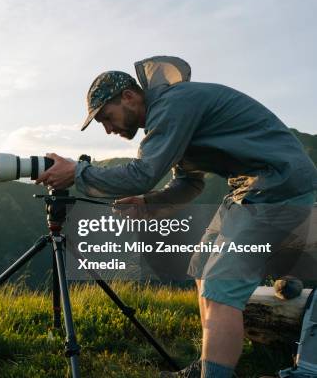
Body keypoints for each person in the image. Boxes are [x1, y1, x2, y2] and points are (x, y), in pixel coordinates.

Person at [36, 69, 317, 378]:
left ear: (128, 97)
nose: (107, 129)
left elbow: (143, 173)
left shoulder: (171, 106)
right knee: (202, 266)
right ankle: (209, 364)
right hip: (249, 189)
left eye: (106, 117)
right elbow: (189, 183)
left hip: (278, 187)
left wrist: (78, 173)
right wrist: (148, 203)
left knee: (220, 284)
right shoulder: (173, 114)